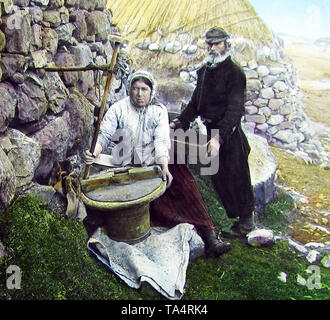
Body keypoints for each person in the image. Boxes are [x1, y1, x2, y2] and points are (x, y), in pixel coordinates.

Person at [85, 69, 231, 258]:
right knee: (154, 205)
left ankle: (209, 236)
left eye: (144, 89)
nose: (139, 94)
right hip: (128, 164)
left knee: (184, 183)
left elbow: (162, 141)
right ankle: (176, 225)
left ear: (151, 91)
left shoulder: (158, 111)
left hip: (155, 160)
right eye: (135, 89)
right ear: (129, 89)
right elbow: (103, 135)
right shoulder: (118, 109)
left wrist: (163, 166)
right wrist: (94, 151)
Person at [170, 27, 256, 238]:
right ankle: (236, 222)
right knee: (219, 178)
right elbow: (195, 104)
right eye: (209, 44)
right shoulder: (205, 71)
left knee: (238, 176)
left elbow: (235, 110)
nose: (212, 47)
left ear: (226, 44)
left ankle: (247, 225)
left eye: (217, 43)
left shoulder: (235, 73)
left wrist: (219, 137)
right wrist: (181, 121)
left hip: (229, 133)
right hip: (211, 131)